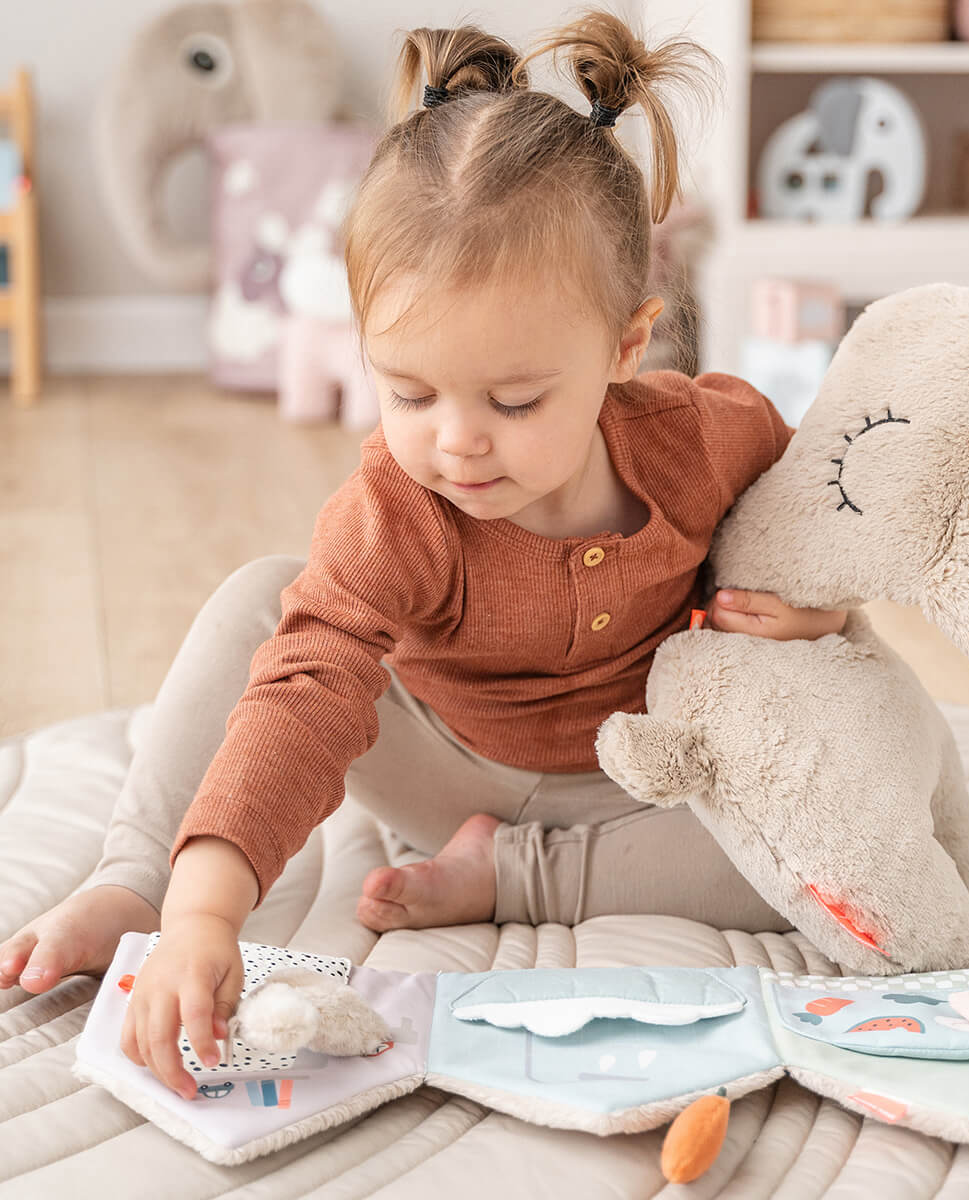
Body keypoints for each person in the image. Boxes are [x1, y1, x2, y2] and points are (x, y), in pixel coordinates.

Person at [0, 10, 847, 1101]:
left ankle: (508, 879)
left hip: (645, 792)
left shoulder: (708, 434)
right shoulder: (400, 510)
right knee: (270, 602)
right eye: (408, 390)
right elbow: (306, 698)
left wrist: (819, 609)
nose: (456, 439)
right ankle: (129, 875)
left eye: (515, 399)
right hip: (438, 767)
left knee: (843, 845)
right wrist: (200, 909)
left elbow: (839, 513)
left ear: (625, 348)